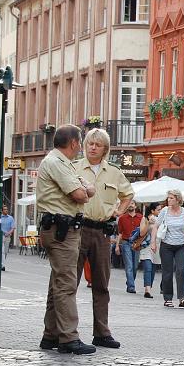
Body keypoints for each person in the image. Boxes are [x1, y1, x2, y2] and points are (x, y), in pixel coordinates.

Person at [36, 124, 96, 355]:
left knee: (57, 283)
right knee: (66, 284)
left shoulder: (62, 163)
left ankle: (50, 334)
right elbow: (81, 193)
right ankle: (69, 338)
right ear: (73, 143)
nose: (80, 146)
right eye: (80, 142)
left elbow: (87, 188)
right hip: (61, 230)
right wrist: (84, 190)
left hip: (62, 229)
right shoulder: (56, 163)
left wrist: (86, 189)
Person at [76, 128, 134, 349]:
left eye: (97, 144)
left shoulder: (114, 172)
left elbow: (128, 194)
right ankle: (65, 331)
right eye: (90, 143)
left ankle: (102, 332)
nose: (92, 147)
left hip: (102, 231)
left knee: (101, 284)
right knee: (70, 283)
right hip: (79, 229)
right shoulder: (75, 168)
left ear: (105, 149)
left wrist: (118, 212)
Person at [150, 189, 184, 308]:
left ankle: (181, 298)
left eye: (171, 198)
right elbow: (155, 227)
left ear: (178, 199)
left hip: (181, 246)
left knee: (180, 271)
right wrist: (153, 242)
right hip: (166, 245)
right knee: (167, 272)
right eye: (168, 198)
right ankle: (168, 298)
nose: (168, 200)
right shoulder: (164, 211)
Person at [115, 200, 143, 293]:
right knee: (129, 265)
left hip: (137, 243)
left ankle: (130, 282)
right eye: (129, 204)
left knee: (135, 266)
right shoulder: (122, 218)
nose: (130, 205)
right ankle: (131, 286)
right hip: (126, 243)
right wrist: (117, 246)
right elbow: (120, 233)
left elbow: (143, 232)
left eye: (132, 204)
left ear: (135, 206)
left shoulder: (141, 217)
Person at [138, 202, 162, 298]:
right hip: (146, 246)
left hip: (157, 246)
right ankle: (147, 289)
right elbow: (141, 233)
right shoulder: (145, 219)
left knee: (152, 268)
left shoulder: (161, 219)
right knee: (147, 266)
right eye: (158, 209)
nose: (160, 211)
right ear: (152, 210)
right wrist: (148, 223)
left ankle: (150, 287)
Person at [0, 205, 15, 271]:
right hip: (1, 236)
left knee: (5, 251)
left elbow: (13, 227)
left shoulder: (10, 218)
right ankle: (2, 265)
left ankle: (2, 262)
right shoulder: (0, 218)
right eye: (5, 209)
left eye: (7, 209)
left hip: (7, 236)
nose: (6, 210)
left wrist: (8, 233)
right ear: (2, 211)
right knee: (1, 251)